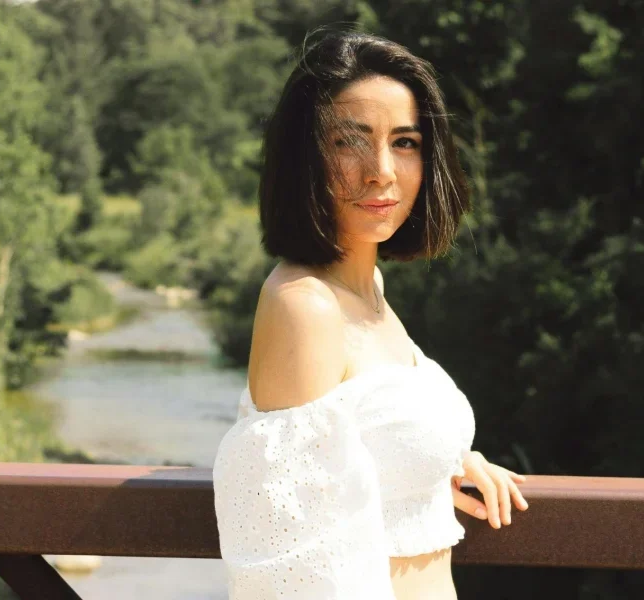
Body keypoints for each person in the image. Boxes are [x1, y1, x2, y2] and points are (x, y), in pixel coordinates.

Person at [212, 30, 529, 600]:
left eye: (404, 142)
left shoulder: (369, 289)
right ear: (305, 158)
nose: (381, 170)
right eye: (349, 141)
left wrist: (444, 460)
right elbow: (291, 564)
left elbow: (358, 448)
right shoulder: (303, 305)